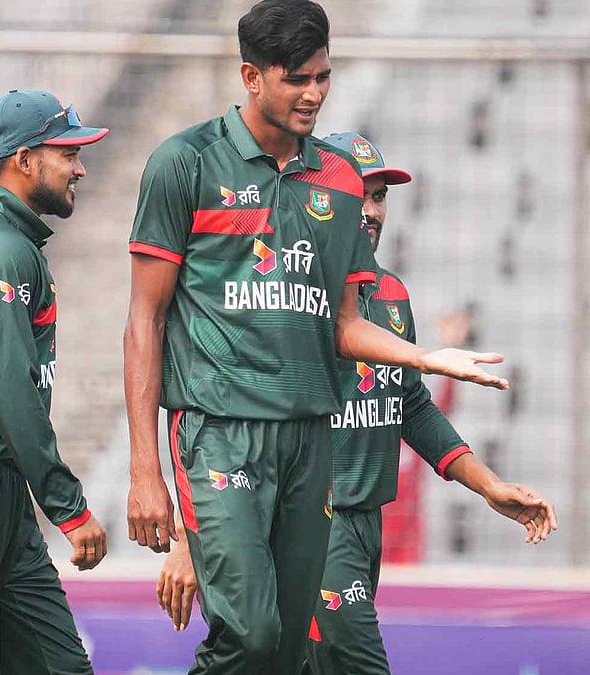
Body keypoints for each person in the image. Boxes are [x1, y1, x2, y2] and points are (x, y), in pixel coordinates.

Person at [124, 2, 508, 673]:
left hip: (312, 439)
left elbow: (345, 325)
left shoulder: (337, 177)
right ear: (250, 75)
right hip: (219, 427)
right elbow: (143, 320)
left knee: (288, 650)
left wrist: (424, 357)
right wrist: (143, 470)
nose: (314, 93)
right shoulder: (184, 164)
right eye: (297, 78)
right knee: (251, 632)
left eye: (323, 77)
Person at [313, 132, 562, 672]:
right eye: (361, 194)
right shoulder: (297, 291)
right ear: (321, 197)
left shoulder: (393, 294)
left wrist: (488, 484)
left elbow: (411, 407)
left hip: (365, 526)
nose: (373, 210)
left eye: (380, 197)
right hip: (313, 524)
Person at [0, 89, 110, 675]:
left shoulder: (8, 243)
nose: (81, 167)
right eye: (69, 153)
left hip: (2, 488)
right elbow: (10, 390)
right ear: (25, 160)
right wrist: (68, 505)